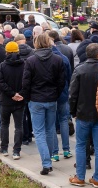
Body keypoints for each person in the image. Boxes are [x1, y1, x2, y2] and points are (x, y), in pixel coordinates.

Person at [21, 33, 65, 175]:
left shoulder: (31, 60)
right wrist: (55, 94)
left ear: (35, 44)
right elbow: (61, 81)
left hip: (36, 99)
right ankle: (49, 158)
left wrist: (27, 97)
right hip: (50, 98)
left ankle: (46, 162)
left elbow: (26, 82)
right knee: (50, 129)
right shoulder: (57, 59)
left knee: (39, 131)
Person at [69, 43, 98, 188]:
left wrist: (73, 111)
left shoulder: (79, 70)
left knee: (80, 145)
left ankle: (80, 176)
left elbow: (72, 93)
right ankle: (97, 178)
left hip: (83, 112)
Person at [0, 42, 26, 159]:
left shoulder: (2, 66)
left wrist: (11, 94)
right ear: (18, 51)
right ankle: (16, 151)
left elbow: (0, 83)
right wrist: (20, 94)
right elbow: (27, 81)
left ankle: (4, 148)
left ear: (6, 52)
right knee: (19, 126)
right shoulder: (24, 65)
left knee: (4, 124)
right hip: (20, 100)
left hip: (6, 100)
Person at [48, 32, 73, 162]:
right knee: (64, 120)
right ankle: (67, 149)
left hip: (51, 94)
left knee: (51, 123)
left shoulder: (48, 59)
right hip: (63, 93)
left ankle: (55, 152)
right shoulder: (64, 58)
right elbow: (69, 76)